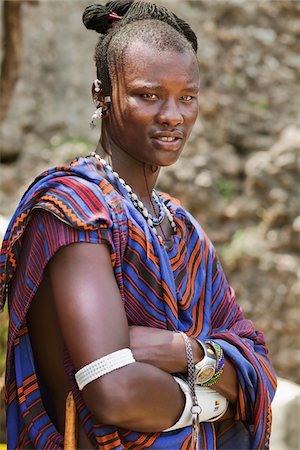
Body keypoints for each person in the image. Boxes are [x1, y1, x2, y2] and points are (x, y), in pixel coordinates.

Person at [0, 1, 277, 449]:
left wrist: (181, 352)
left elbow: (259, 369)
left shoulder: (181, 227)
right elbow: (116, 393)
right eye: (148, 94)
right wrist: (215, 397)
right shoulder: (75, 213)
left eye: (187, 97)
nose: (173, 115)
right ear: (101, 95)